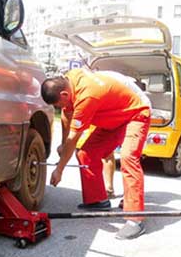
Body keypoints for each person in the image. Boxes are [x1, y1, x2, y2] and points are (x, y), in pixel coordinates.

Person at [41, 68, 151, 239]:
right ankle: (98, 200)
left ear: (64, 94)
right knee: (86, 154)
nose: (58, 108)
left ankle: (135, 220)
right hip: (113, 120)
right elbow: (66, 115)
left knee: (128, 158)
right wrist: (62, 144)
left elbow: (73, 138)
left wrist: (59, 169)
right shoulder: (69, 79)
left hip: (135, 115)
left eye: (57, 104)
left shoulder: (87, 96)